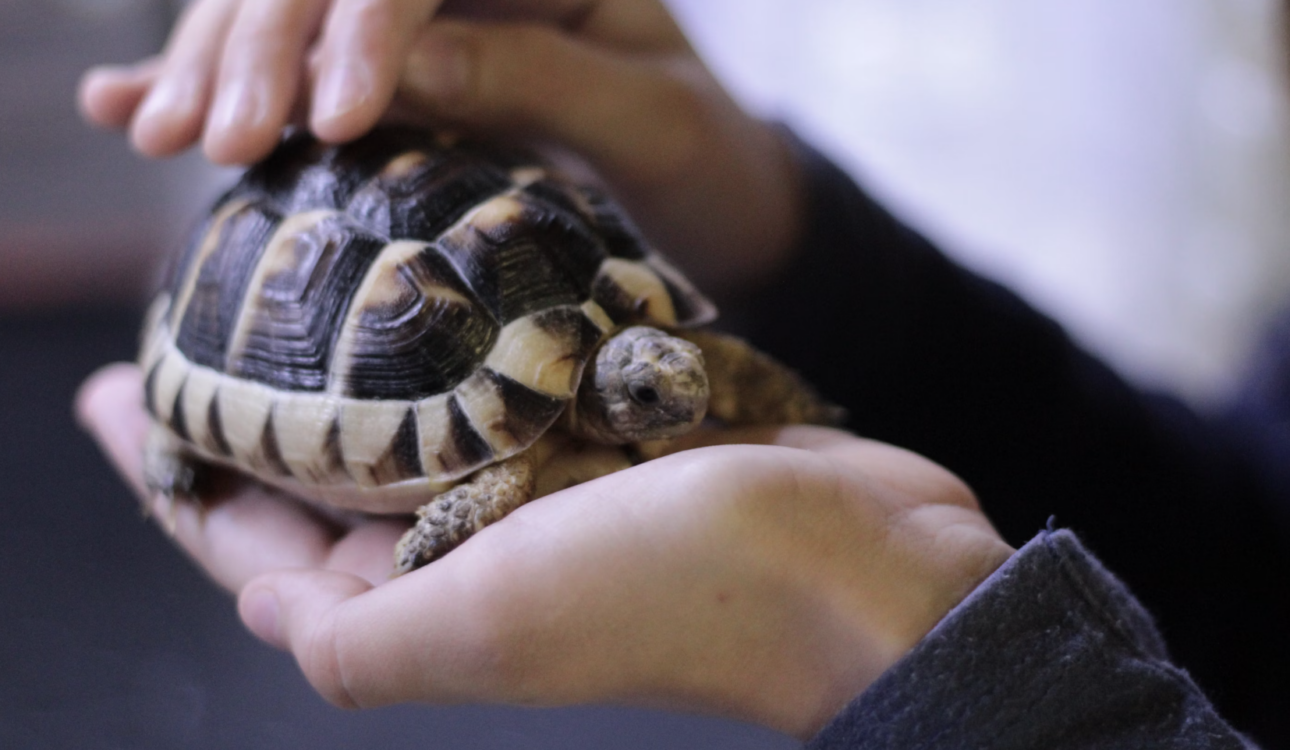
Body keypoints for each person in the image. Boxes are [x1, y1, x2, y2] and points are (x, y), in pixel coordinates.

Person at [76, 0, 1289, 746]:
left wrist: (919, 647)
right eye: (655, 392)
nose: (686, 396)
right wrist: (777, 224)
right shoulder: (591, 379)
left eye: (668, 387)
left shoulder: (609, 397)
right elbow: (1254, 569)